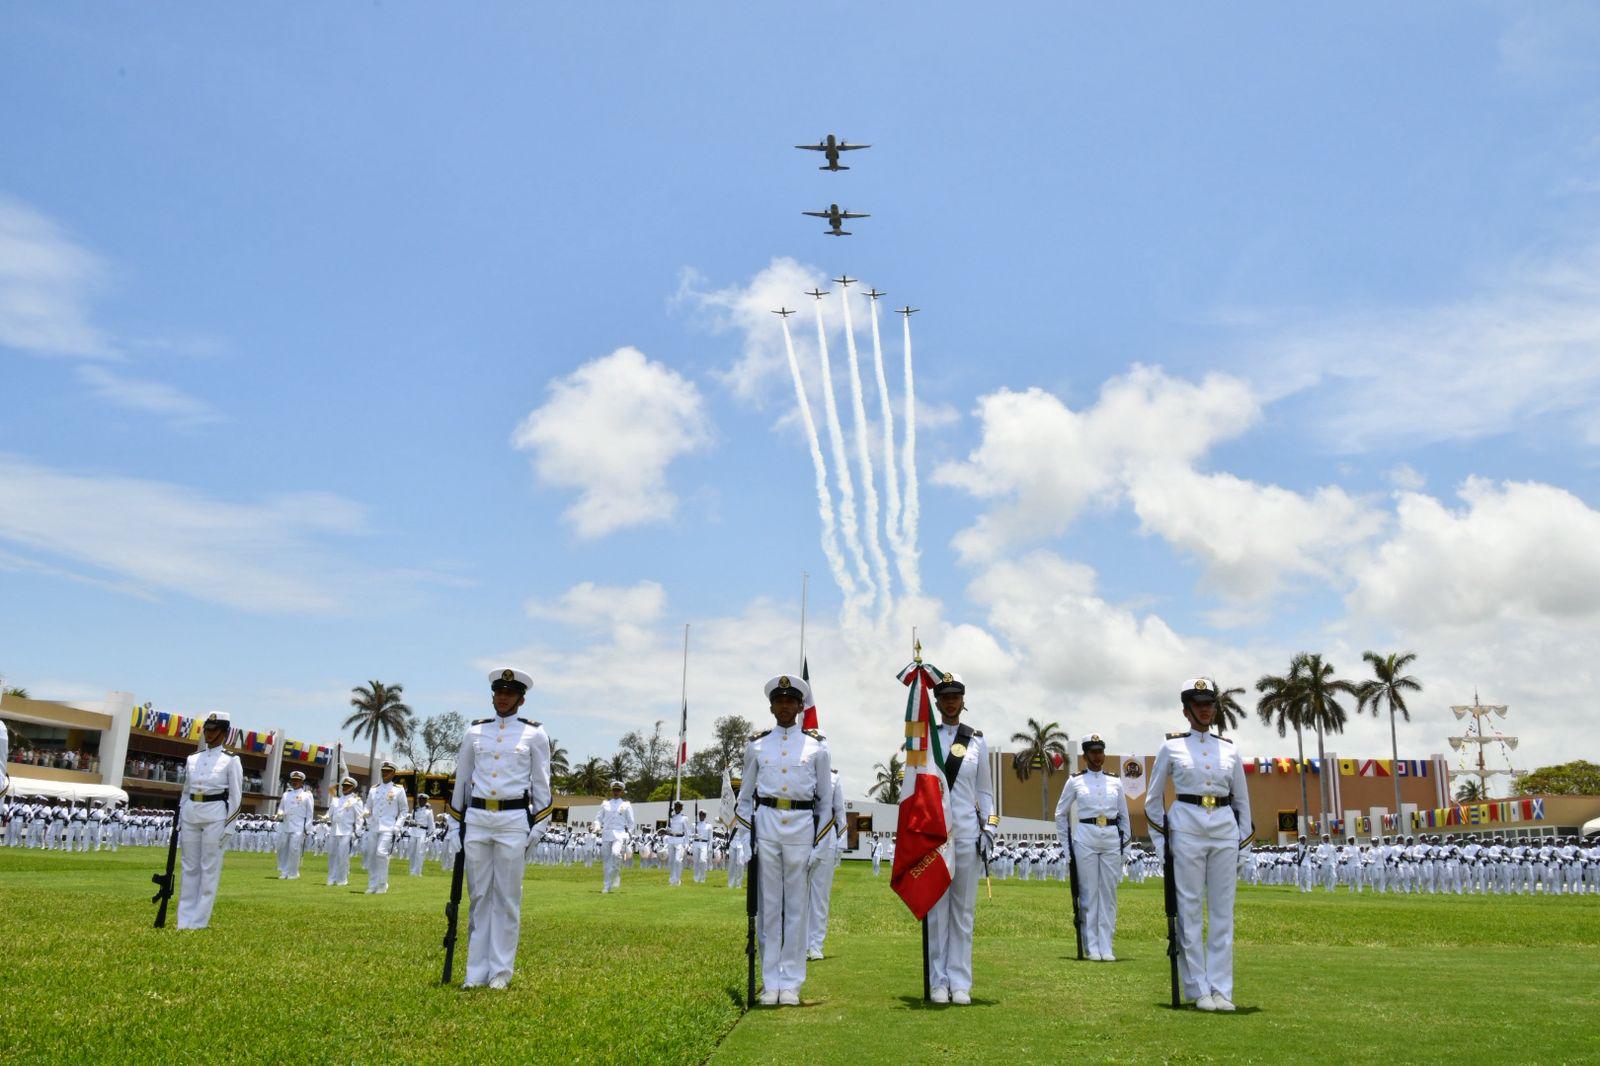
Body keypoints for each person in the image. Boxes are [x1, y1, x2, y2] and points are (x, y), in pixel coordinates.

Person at [1145, 677, 1253, 1013]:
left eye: (1210, 703)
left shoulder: (1229, 748)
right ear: (1186, 710)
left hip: (1222, 829)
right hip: (1186, 828)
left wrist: (1243, 846)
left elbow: (1243, 802)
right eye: (1199, 704)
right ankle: (1198, 988)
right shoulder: (1172, 747)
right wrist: (1164, 846)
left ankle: (1221, 988)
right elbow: (1152, 801)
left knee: (1223, 914)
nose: (1206, 709)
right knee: (1189, 910)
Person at [450, 668, 553, 989]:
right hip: (478, 819)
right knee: (479, 896)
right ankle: (475, 971)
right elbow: (462, 782)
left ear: (521, 700)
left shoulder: (534, 735)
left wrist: (537, 828)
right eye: (499, 692)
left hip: (512, 822)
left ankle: (500, 972)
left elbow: (542, 787)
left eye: (510, 693)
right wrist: (455, 825)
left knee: (507, 898)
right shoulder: (474, 733)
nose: (503, 698)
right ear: (493, 695)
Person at [735, 674, 832, 1007]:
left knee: (797, 909)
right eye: (780, 701)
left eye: (791, 701)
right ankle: (770, 982)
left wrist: (821, 844)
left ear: (800, 706)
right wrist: (744, 838)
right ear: (772, 706)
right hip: (767, 826)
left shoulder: (817, 747)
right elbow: (745, 798)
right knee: (769, 908)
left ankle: (791, 983)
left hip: (802, 828)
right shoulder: (757, 745)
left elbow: (826, 801)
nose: (785, 706)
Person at [919, 671, 994, 1005]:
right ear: (936, 701)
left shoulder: (976, 742)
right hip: (935, 834)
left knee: (963, 912)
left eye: (955, 696)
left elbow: (986, 793)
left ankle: (960, 982)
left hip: (966, 832)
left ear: (963, 701)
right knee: (936, 912)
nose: (950, 702)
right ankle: (939, 981)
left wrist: (990, 828)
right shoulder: (925, 739)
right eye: (944, 696)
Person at [1054, 733, 1131, 962]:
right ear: (1085, 755)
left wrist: (1125, 848)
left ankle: (1106, 946)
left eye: (1101, 751)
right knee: (1088, 894)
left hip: (1109, 837)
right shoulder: (1075, 780)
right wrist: (1067, 849)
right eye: (1094, 752)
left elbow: (1124, 817)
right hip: (1085, 837)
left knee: (1109, 894)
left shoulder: (1115, 781)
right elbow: (1060, 814)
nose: (1098, 756)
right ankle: (1092, 946)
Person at [176, 712, 243, 930]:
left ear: (223, 733)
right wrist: (180, 815)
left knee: (208, 868)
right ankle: (183, 920)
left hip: (215, 814)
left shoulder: (231, 760)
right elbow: (186, 791)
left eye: (213, 730)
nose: (208, 733)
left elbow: (235, 796)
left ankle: (198, 922)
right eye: (206, 729)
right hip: (191, 813)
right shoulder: (192, 759)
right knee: (189, 867)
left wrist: (230, 826)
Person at [805, 767, 845, 960]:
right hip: (801, 836)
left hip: (826, 839)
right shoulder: (801, 773)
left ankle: (816, 944)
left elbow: (840, 810)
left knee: (820, 896)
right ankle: (800, 943)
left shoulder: (834, 778)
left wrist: (840, 845)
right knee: (798, 895)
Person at [364, 761, 409, 894]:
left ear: (393, 773)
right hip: (374, 826)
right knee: (372, 855)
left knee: (381, 853)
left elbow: (404, 810)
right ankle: (372, 884)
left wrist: (397, 826)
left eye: (388, 771)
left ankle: (382, 884)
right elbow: (368, 806)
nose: (385, 773)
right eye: (383, 771)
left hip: (388, 827)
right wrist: (367, 816)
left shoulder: (398, 790)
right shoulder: (374, 789)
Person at [596, 780, 635, 893]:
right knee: (606, 861)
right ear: (612, 791)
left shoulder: (626, 805)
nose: (616, 792)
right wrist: (597, 826)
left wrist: (629, 835)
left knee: (616, 853)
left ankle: (617, 873)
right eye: (614, 790)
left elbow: (631, 822)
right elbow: (598, 818)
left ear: (621, 792)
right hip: (606, 833)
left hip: (619, 834)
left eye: (618, 790)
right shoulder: (605, 804)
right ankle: (606, 886)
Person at [277, 770, 315, 879]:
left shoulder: (307, 795)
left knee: (294, 849)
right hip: (285, 824)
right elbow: (281, 808)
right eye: (293, 780)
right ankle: (284, 870)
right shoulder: (286, 794)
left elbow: (309, 813)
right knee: (282, 848)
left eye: (297, 781)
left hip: (298, 826)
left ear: (302, 782)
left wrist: (307, 828)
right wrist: (280, 813)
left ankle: (293, 872)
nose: (295, 782)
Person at [326, 777, 361, 886]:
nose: (345, 788)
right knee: (332, 854)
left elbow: (359, 818)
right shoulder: (336, 800)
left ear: (353, 788)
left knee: (342, 855)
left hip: (346, 831)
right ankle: (331, 878)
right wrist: (325, 817)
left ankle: (342, 879)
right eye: (344, 786)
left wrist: (357, 832)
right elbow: (329, 813)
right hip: (334, 830)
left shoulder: (356, 801)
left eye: (347, 786)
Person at [408, 796, 437, 876]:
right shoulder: (415, 810)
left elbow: (431, 824)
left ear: (426, 801)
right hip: (414, 831)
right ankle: (412, 871)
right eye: (420, 800)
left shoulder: (429, 812)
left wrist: (432, 835)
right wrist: (412, 822)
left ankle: (418, 872)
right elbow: (410, 822)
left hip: (422, 832)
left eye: (423, 800)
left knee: (419, 852)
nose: (421, 801)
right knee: (412, 852)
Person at [665, 801, 688, 886]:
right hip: (671, 839)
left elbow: (686, 832)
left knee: (678, 860)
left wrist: (687, 844)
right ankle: (672, 880)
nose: (677, 808)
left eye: (679, 807)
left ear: (681, 808)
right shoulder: (672, 817)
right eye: (676, 807)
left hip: (679, 840)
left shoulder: (684, 818)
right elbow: (667, 829)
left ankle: (677, 880)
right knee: (671, 861)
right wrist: (669, 816)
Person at [692, 809, 715, 884]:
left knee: (703, 860)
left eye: (703, 815)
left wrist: (710, 848)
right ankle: (696, 878)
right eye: (700, 815)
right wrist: (693, 835)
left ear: (705, 816)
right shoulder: (694, 824)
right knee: (696, 862)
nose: (701, 816)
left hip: (704, 844)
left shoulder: (709, 826)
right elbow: (689, 834)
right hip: (696, 843)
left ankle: (702, 878)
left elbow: (711, 838)